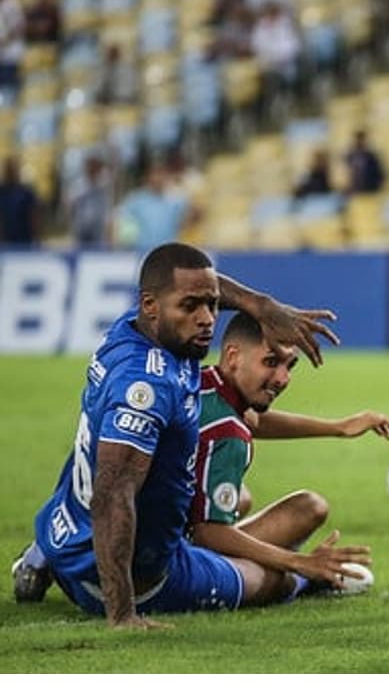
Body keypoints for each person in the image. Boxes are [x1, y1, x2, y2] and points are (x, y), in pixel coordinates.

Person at [10, 242, 344, 627]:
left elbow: (197, 288)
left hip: (63, 539)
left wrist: (260, 305)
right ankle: (315, 578)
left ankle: (40, 558)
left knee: (237, 498)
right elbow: (112, 496)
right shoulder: (147, 389)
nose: (206, 319)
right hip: (128, 581)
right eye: (191, 307)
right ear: (151, 306)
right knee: (274, 583)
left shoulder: (136, 330)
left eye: (212, 305)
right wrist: (122, 613)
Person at [188, 311, 389, 596]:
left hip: (131, 537)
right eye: (271, 362)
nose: (283, 379)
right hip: (174, 560)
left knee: (261, 500)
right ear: (234, 356)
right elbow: (208, 533)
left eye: (290, 365)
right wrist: (299, 563)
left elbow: (254, 420)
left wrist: (340, 427)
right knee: (278, 562)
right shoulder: (227, 433)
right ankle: (303, 583)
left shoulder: (202, 381)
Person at [0, 154, 39, 245]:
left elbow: (34, 216)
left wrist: (36, 237)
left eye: (14, 168)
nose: (11, 172)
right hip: (4, 243)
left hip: (25, 242)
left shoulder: (26, 193)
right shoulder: (1, 192)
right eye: (8, 169)